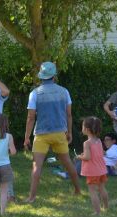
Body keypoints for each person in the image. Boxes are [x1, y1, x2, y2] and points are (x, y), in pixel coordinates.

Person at [24, 61, 81, 203]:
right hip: (59, 133)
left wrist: (26, 137)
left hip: (41, 135)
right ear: (54, 76)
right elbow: (69, 114)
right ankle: (78, 190)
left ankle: (31, 197)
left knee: (37, 166)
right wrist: (69, 132)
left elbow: (31, 117)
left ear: (41, 77)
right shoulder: (64, 91)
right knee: (68, 163)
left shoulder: (34, 93)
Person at [76, 117, 108, 216]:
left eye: (83, 126)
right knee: (102, 188)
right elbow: (102, 153)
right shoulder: (98, 141)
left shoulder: (87, 143)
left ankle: (97, 212)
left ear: (87, 129)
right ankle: (106, 207)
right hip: (101, 170)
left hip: (92, 172)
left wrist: (79, 157)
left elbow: (87, 157)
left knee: (93, 191)